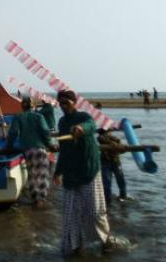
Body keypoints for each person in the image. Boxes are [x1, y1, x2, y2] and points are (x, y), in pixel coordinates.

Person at [53, 90, 116, 256]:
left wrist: (81, 129)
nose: (63, 106)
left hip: (88, 170)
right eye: (61, 104)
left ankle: (106, 240)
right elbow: (64, 150)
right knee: (71, 214)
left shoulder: (83, 117)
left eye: (66, 103)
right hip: (70, 173)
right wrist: (57, 172)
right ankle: (76, 246)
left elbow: (91, 125)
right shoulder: (62, 123)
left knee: (95, 211)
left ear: (74, 103)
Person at [7, 97, 53, 208]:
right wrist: (50, 144)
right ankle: (40, 200)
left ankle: (35, 199)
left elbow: (13, 133)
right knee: (42, 175)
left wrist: (9, 146)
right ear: (33, 106)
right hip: (39, 149)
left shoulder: (18, 116)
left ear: (22, 106)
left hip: (27, 150)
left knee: (32, 175)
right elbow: (45, 132)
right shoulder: (38, 116)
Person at [97, 129, 130, 205]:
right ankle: (108, 200)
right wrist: (113, 143)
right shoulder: (101, 138)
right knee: (108, 183)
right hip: (107, 162)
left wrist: (114, 144)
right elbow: (101, 139)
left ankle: (120, 197)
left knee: (119, 181)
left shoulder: (114, 139)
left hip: (114, 161)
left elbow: (120, 146)